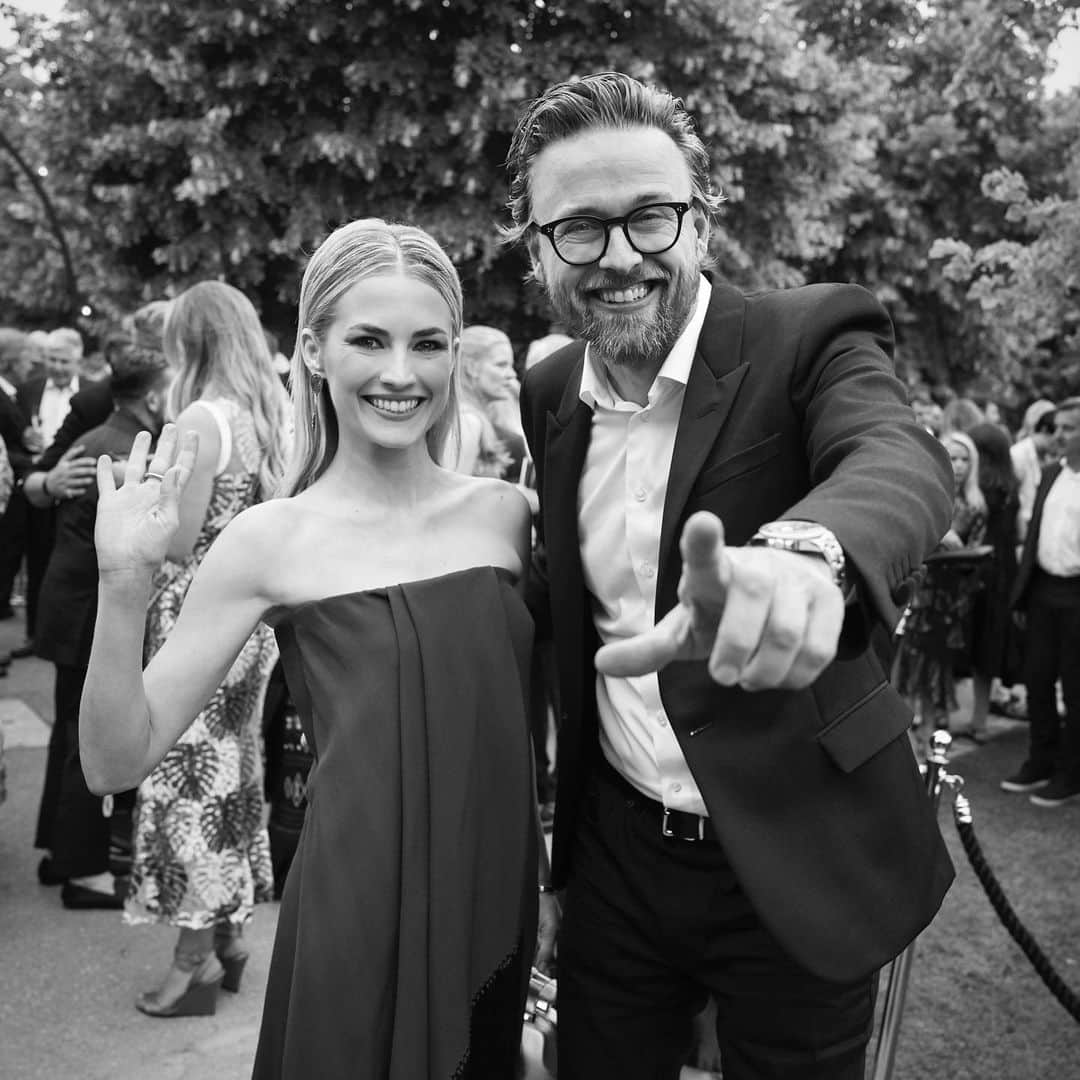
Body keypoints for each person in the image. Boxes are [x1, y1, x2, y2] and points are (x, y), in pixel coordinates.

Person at [507, 71, 954, 1080]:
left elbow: (896, 457)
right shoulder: (548, 395)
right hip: (617, 850)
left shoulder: (811, 334)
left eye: (651, 219)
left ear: (700, 227)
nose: (620, 256)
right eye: (579, 228)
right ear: (537, 251)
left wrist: (808, 558)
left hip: (798, 847)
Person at [80, 219, 557, 1074]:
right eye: (368, 340)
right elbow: (115, 760)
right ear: (313, 348)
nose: (400, 373)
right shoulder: (270, 541)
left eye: (429, 343)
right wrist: (124, 582)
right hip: (354, 911)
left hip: (495, 901)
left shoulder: (509, 518)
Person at [106, 281, 288, 1018]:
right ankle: (231, 935)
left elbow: (176, 541)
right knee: (234, 776)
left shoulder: (197, 421)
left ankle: (194, 960)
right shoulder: (266, 415)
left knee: (185, 784)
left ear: (190, 340)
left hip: (196, 614)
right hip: (252, 624)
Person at [33, 326, 172, 908]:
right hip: (87, 604)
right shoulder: (130, 449)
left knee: (68, 728)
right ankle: (82, 871)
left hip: (67, 599)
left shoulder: (97, 435)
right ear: (153, 395)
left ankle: (58, 850)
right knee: (82, 738)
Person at [1001, 397, 1080, 807]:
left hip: (1076, 594)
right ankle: (1040, 760)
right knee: (1038, 679)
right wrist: (1022, 593)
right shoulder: (1051, 475)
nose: (1059, 435)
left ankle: (1071, 773)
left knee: (1076, 685)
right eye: (1057, 428)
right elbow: (1034, 537)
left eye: (1069, 428)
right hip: (1044, 590)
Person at [955, 422, 1020, 741]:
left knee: (959, 643)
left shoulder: (977, 491)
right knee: (988, 649)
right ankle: (979, 720)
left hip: (975, 574)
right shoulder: (1011, 487)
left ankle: (939, 716)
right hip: (1003, 576)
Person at [1010, 399, 1057, 544]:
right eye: (1054, 439)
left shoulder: (1046, 456)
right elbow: (1015, 499)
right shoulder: (1018, 455)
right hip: (1023, 531)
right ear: (1044, 431)